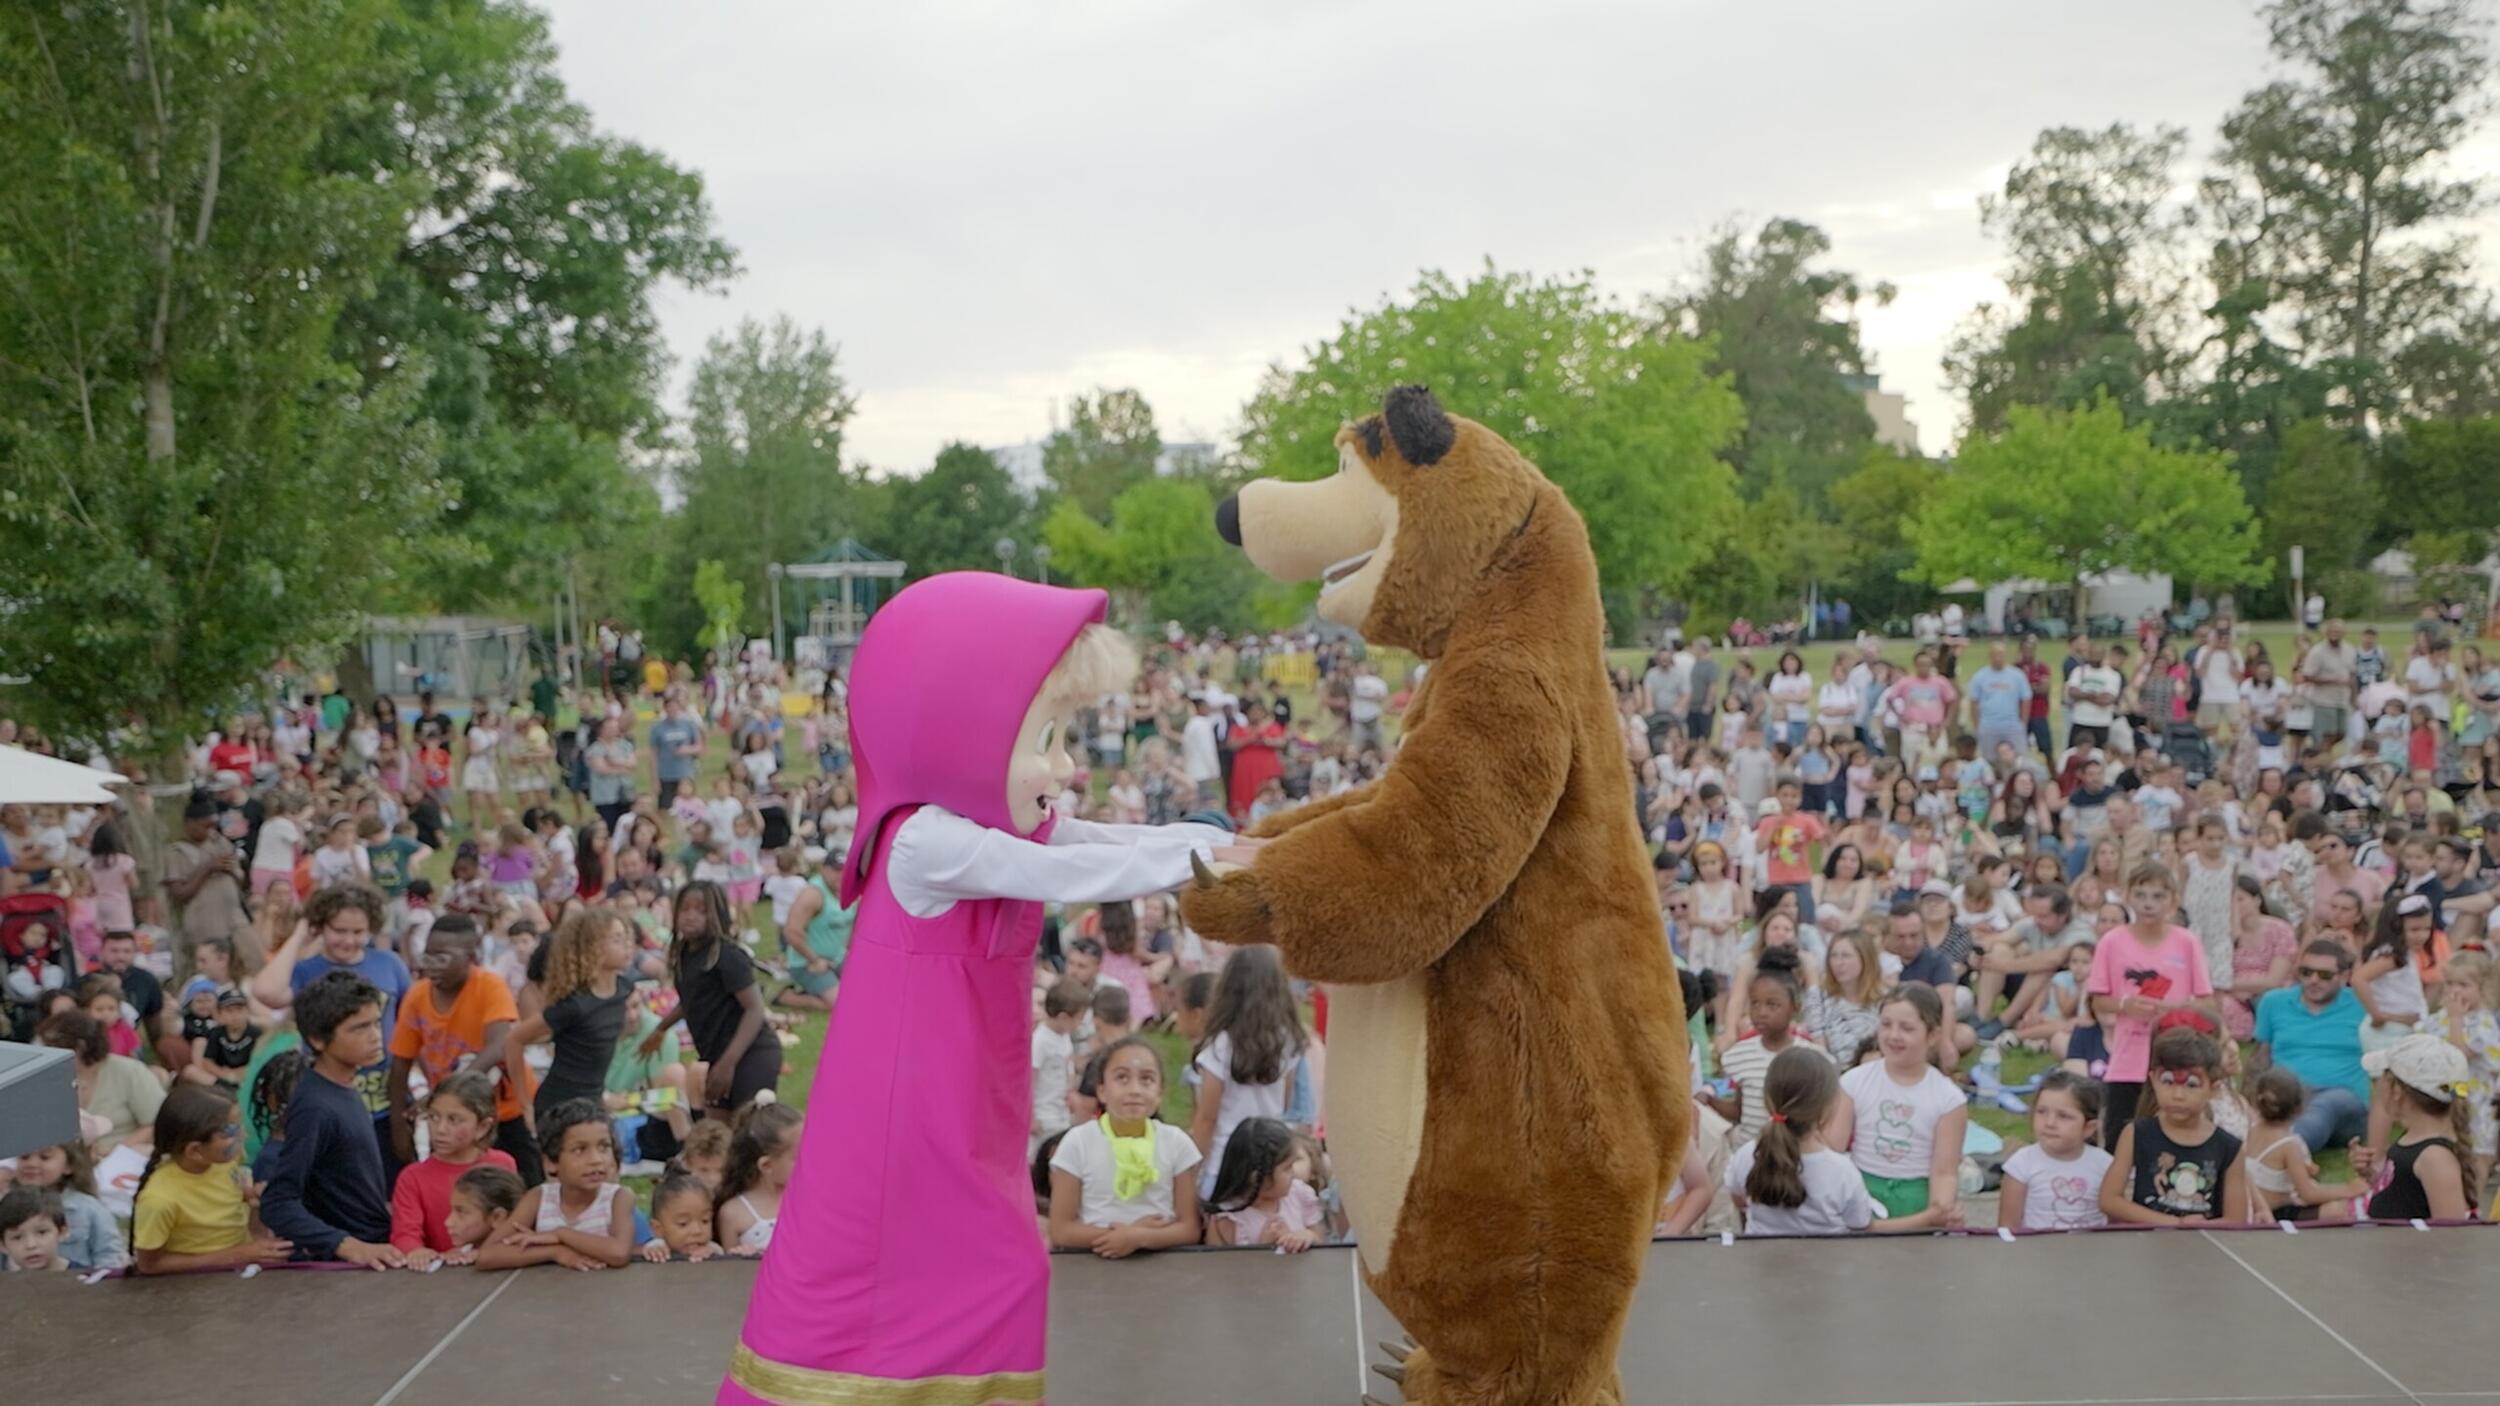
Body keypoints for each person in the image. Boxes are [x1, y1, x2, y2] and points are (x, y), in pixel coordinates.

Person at [720, 574, 1235, 1406]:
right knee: (952, 1273)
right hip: (907, 1112)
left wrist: (1219, 845)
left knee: (988, 1274)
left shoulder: (980, 827)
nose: (1065, 766)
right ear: (959, 730)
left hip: (958, 1100)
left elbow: (1086, 836)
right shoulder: (929, 840)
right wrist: (1206, 855)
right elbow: (1071, 864)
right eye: (1045, 736)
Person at [251, 883, 412, 1174]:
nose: (348, 941)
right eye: (339, 930)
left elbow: (411, 1023)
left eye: (358, 932)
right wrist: (300, 934)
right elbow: (265, 992)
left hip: (384, 1100)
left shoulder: (389, 964)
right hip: (329, 1100)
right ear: (321, 927)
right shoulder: (306, 971)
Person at [258, 970, 400, 1267]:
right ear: (318, 1040)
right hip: (347, 1267)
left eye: (376, 1023)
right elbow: (277, 1203)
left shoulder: (346, 1083)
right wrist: (346, 1246)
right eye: (359, 1028)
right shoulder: (315, 1106)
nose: (375, 1036)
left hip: (378, 1244)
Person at [384, 914, 532, 1181]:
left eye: (443, 958)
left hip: (506, 1112)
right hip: (451, 1118)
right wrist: (397, 1123)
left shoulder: (489, 986)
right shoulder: (417, 996)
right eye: (428, 957)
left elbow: (499, 1044)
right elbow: (400, 1062)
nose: (432, 966)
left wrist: (445, 1091)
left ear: (471, 956)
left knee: (520, 1186)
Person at [2085, 864, 2217, 1142]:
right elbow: (2098, 1001)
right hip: (2127, 1057)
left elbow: (2208, 1002)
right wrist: (2126, 1005)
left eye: (2158, 896)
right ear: (2127, 897)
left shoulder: (2187, 942)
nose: (2148, 904)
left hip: (2175, 1055)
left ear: (2172, 899)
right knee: (2120, 1139)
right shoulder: (2111, 942)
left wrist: (2176, 1009)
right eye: (2141, 895)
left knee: (2173, 1136)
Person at [1046, 1037, 1203, 1258]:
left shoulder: (1177, 1144)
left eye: (1146, 1079)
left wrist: (1139, 1237)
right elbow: (1061, 1230)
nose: (1135, 1090)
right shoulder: (1077, 1143)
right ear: (1101, 1091)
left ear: (1159, 1093)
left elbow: (1189, 1228)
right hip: (1093, 1264)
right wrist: (1121, 1236)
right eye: (1122, 1078)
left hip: (1163, 1265)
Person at [1829, 984, 1966, 1227]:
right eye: (1886, 1024)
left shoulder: (1948, 1098)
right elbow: (1833, 1147)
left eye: (1907, 1028)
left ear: (1932, 1035)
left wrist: (1940, 1211)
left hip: (1917, 1197)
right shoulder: (1854, 1081)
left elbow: (1944, 1171)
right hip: (1863, 1189)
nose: (1893, 1035)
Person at [640, 882, 781, 1118]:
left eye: (701, 910)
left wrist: (727, 1065)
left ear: (717, 914)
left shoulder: (727, 956)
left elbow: (754, 1009)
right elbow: (692, 1000)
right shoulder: (684, 953)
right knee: (717, 1134)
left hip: (750, 1053)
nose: (690, 916)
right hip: (717, 1055)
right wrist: (661, 1029)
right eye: (684, 909)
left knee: (749, 1131)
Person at [128, 1084, 294, 1275]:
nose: (244, 1135)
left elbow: (225, 1189)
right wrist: (236, 1255)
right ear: (195, 1151)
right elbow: (149, 1265)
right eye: (231, 1131)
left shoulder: (223, 1160)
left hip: (243, 1268)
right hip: (196, 1284)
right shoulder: (159, 1200)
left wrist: (249, 1193)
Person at [1190, 944, 1309, 1199]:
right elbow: (1285, 1102)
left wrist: (1191, 1171)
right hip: (1272, 1167)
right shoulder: (1287, 1042)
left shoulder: (1220, 1046)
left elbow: (1207, 1117)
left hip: (1223, 1168)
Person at [2099, 1024, 2246, 1225]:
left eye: (2192, 1085)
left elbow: (2236, 1219)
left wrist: (2200, 1227)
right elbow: (2109, 1200)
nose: (2178, 1095)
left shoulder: (2229, 1147)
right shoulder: (2136, 1133)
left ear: (2213, 1088)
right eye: (2168, 1082)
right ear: (2153, 1080)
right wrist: (2173, 1223)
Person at [1723, 1046, 1873, 1236]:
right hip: (1827, 1264)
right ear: (1827, 1108)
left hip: (1760, 1261)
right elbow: (1860, 1224)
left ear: (1768, 1100)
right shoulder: (1842, 1171)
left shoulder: (1747, 1155)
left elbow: (1739, 1199)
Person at [509, 907, 634, 1134]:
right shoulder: (575, 1005)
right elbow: (514, 1039)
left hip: (593, 1102)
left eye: (627, 937)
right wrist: (525, 1103)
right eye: (617, 939)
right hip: (559, 1105)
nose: (627, 945)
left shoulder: (624, 989)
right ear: (593, 948)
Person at [478, 1098, 635, 1270]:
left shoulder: (619, 1197)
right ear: (551, 1162)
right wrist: (556, 1252)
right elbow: (487, 1255)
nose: (596, 1160)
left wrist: (560, 1234)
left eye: (604, 1147)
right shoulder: (539, 1198)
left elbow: (619, 1253)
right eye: (579, 1150)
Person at [2254, 939, 2374, 1159]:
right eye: (2306, 972)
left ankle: (2276, 1154)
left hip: (2344, 1100)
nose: (2313, 980)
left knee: (2327, 1104)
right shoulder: (2274, 1002)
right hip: (2288, 1094)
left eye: (2325, 975)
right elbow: (2261, 1056)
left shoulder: (2363, 1005)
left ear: (2345, 977)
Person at [388, 1072, 519, 1269]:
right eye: (433, 1117)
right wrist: (417, 1252)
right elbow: (405, 1234)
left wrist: (484, 1252)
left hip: (493, 1267)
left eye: (454, 1120)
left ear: (482, 1127)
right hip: (439, 1274)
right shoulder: (413, 1177)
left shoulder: (502, 1163)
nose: (440, 1129)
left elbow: (514, 1223)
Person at [2352, 1034, 2476, 1221]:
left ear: (2397, 1092)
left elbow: (2452, 1237)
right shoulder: (2413, 1138)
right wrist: (2373, 1175)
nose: (2375, 1087)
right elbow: (2406, 1195)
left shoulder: (2436, 1158)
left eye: (2381, 1079)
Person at [2240, 1068, 2366, 1223]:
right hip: (2275, 1213)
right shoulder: (2288, 1145)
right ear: (2300, 1109)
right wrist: (2348, 1189)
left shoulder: (2250, 1129)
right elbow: (2308, 1194)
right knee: (2338, 1210)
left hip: (2248, 1206)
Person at [34, 1011, 162, 1156]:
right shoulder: (48, 1080)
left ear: (79, 1047)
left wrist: (116, 1152)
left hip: (123, 1158)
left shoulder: (130, 1071)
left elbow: (155, 1124)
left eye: (53, 1047)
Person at [1997, 1071, 2111, 1230]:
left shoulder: (2105, 1165)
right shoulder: (2021, 1164)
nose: (2050, 1123)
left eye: (2064, 1116)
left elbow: (2117, 1226)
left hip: (2091, 1252)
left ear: (2089, 1127)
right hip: (2035, 1252)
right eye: (2042, 1112)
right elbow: (2007, 1228)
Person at [1203, 1116, 1323, 1251]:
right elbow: (1220, 1268)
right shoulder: (1228, 1220)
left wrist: (1308, 1236)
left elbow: (1321, 1241)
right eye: (1287, 1168)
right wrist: (1263, 1247)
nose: (1294, 1173)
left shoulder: (1300, 1194)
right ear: (1256, 1177)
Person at [6, 1140, 126, 1271]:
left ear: (69, 1165)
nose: (31, 1163)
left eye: (45, 1157)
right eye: (24, 1157)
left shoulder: (88, 1208)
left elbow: (109, 1254)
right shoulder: (5, 1206)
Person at [714, 1102, 804, 1256]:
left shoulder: (810, 1197)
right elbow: (728, 1273)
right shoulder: (733, 1214)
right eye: (799, 1156)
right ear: (767, 1165)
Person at [642, 1169, 728, 1263]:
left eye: (705, 1221)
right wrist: (654, 1252)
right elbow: (652, 1248)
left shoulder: (712, 1249)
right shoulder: (658, 1247)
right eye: (683, 1223)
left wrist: (712, 1255)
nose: (697, 1231)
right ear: (657, 1229)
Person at [1, 1187, 72, 1273]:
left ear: (62, 1232)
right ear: (2, 1245)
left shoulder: (87, 1279)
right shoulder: (6, 1285)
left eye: (42, 1232)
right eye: (17, 1237)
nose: (31, 1245)